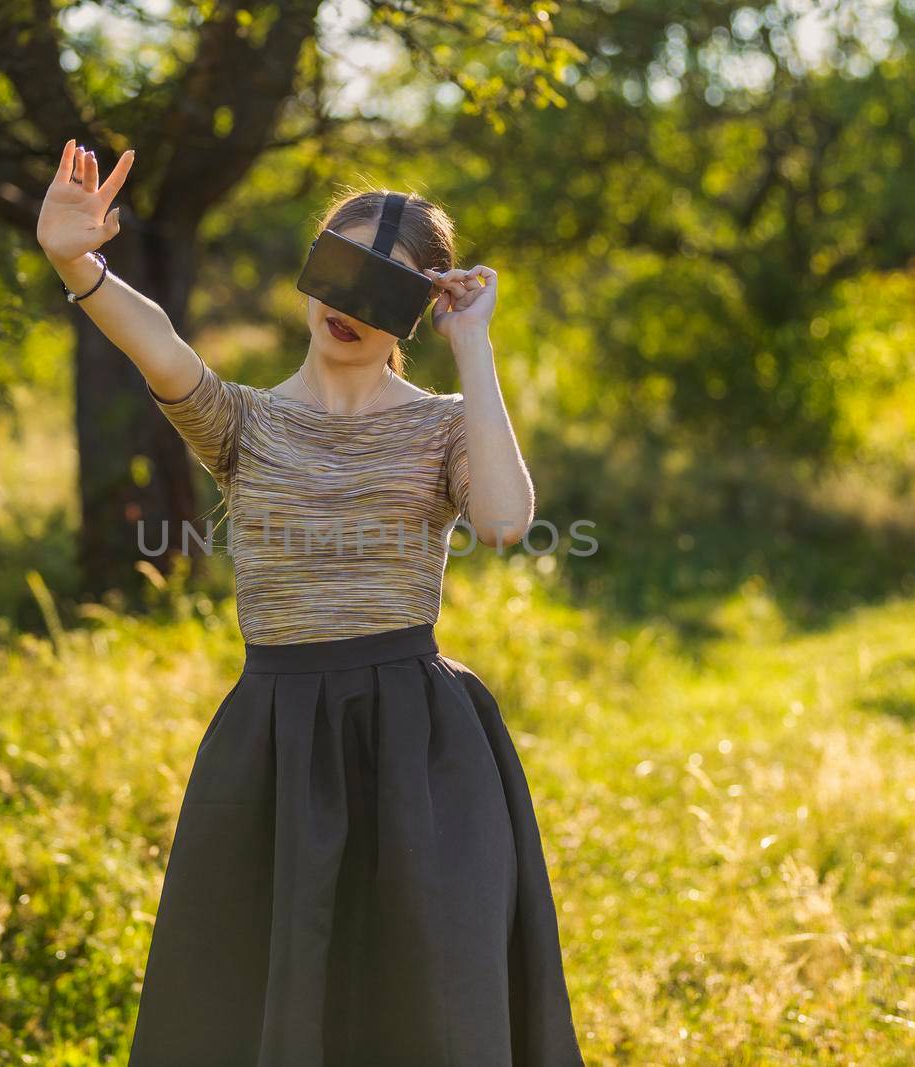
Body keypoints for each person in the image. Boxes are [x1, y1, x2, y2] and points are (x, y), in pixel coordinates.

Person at [38, 139, 584, 1066]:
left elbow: (500, 519)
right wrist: (74, 260)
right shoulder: (242, 422)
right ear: (308, 276)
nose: (351, 303)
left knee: (429, 1018)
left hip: (424, 750)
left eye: (390, 285)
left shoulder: (443, 424)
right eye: (341, 270)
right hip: (277, 749)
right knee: (267, 1015)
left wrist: (475, 344)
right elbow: (160, 343)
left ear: (421, 306)